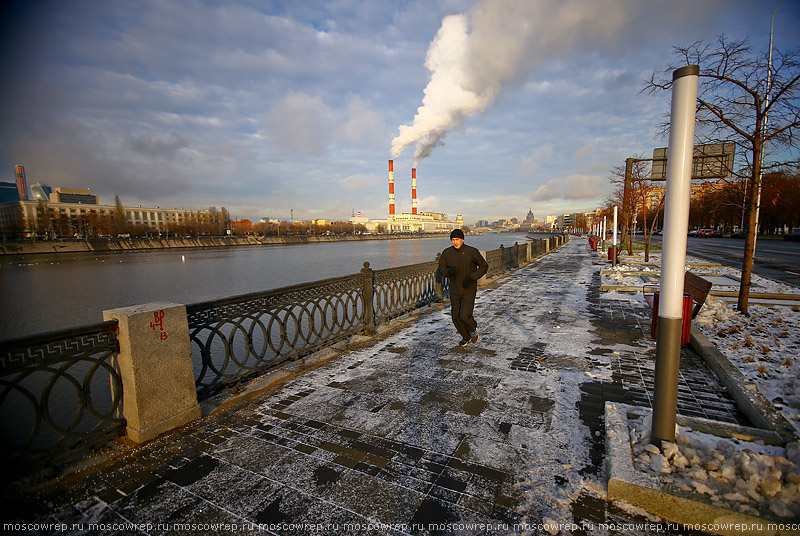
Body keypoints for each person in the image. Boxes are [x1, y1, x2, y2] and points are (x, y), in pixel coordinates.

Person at [438, 229, 488, 346]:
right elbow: (441, 269)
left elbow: (484, 266)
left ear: (462, 240)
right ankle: (466, 337)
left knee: (464, 316)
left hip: (468, 289)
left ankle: (473, 329)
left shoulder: (472, 252)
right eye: (453, 240)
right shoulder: (447, 253)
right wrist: (448, 271)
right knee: (455, 317)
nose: (455, 242)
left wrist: (472, 277)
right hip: (454, 290)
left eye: (457, 240)